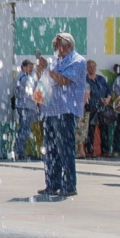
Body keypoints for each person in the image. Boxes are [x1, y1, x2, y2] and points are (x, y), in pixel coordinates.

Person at [40, 34, 86, 199]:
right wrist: (41, 69)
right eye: (55, 45)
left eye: (59, 45)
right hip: (51, 109)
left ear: (68, 46)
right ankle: (52, 184)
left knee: (65, 148)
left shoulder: (78, 61)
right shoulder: (56, 61)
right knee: (50, 149)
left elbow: (64, 81)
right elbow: (45, 80)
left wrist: (48, 70)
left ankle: (68, 185)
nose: (57, 49)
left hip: (65, 110)